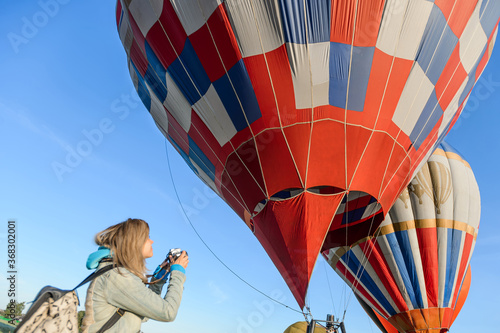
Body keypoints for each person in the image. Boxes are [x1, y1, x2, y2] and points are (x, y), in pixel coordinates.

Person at [81, 218, 188, 333]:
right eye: (147, 237)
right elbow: (168, 312)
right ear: (134, 241)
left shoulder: (116, 273)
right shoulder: (117, 276)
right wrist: (178, 273)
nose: (152, 241)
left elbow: (145, 313)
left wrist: (159, 278)